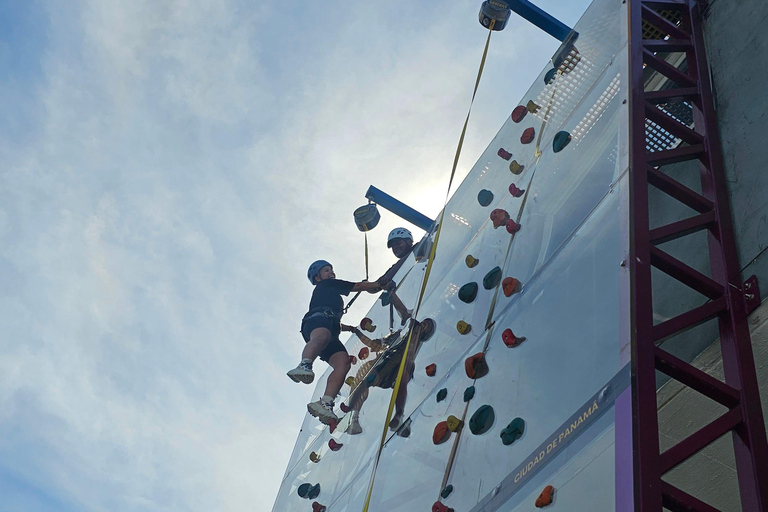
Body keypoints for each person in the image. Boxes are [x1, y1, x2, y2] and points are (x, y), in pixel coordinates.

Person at [287, 260, 382, 425]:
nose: (331, 273)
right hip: (317, 322)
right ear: (318, 278)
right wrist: (378, 284)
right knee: (322, 336)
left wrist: (349, 328)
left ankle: (325, 402)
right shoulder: (327, 285)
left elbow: (335, 319)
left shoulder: (333, 296)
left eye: (331, 270)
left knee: (343, 363)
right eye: (326, 270)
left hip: (330, 329)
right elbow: (356, 286)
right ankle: (304, 364)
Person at [343, 318, 436, 437]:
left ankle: (398, 415)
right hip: (387, 362)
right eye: (423, 323)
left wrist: (356, 332)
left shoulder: (415, 334)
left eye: (426, 326)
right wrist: (356, 332)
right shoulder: (399, 334)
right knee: (365, 381)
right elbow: (373, 344)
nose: (422, 325)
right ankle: (353, 414)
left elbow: (412, 326)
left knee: (401, 381)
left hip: (398, 363)